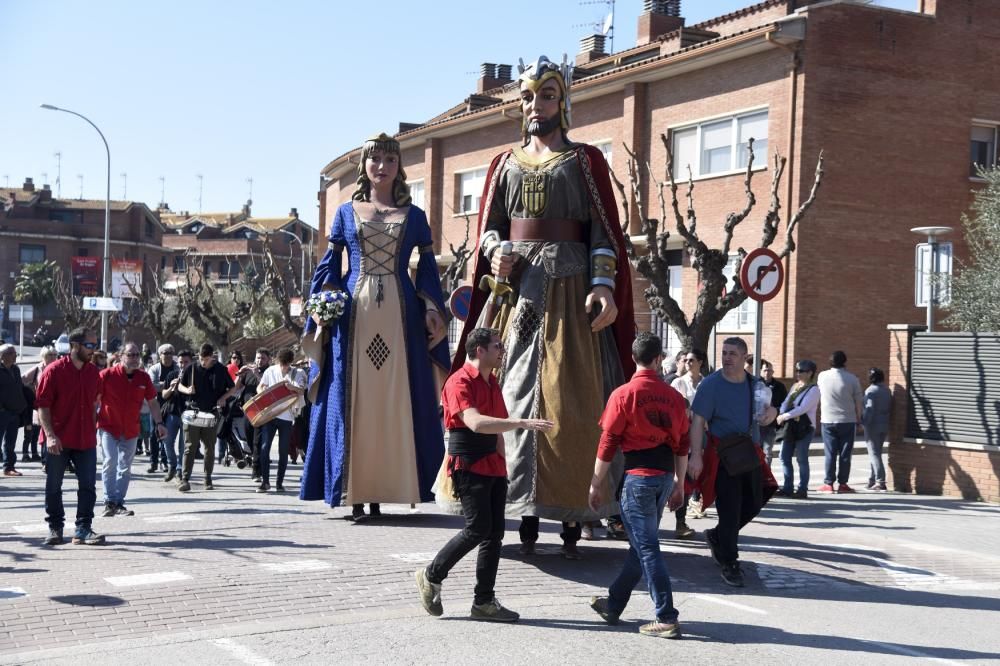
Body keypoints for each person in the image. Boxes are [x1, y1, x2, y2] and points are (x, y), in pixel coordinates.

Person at [448, 54, 636, 559]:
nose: (536, 105)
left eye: (546, 94)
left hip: (571, 293)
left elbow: (604, 231)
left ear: (563, 100)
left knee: (571, 401)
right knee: (505, 390)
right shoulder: (502, 164)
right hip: (517, 292)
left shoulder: (584, 161)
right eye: (528, 96)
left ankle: (574, 512)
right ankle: (517, 508)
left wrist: (602, 285)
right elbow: (491, 225)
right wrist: (494, 251)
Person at [300, 132, 450, 521]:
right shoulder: (345, 213)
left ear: (399, 167)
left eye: (390, 160)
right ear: (364, 166)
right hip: (354, 317)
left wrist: (432, 306)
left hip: (401, 318)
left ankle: (391, 487)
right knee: (356, 401)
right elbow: (331, 268)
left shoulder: (415, 216)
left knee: (395, 400)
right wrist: (321, 306)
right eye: (375, 159)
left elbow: (429, 270)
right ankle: (355, 490)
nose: (382, 166)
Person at [415, 328, 552, 623]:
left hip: (493, 466)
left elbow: (497, 429)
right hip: (469, 464)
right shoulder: (459, 381)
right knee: (477, 529)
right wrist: (521, 421)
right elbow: (475, 423)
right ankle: (431, 574)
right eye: (497, 346)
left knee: (494, 535)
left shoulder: (492, 383)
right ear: (480, 350)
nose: (501, 350)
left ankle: (484, 601)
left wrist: (504, 467)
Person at [588, 332, 689, 639]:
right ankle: (614, 604)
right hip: (661, 477)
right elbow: (683, 444)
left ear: (633, 358)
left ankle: (666, 616)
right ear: (659, 359)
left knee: (646, 548)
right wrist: (680, 484)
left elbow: (608, 442)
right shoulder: (674, 397)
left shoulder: (623, 394)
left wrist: (596, 483)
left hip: (639, 478)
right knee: (640, 546)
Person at [688, 337, 777, 588]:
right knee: (729, 509)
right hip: (722, 455)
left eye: (733, 354)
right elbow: (697, 422)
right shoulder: (711, 385)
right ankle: (729, 562)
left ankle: (718, 536)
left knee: (757, 499)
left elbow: (768, 412)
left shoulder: (755, 384)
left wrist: (774, 412)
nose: (727, 358)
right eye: (724, 353)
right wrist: (696, 454)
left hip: (749, 454)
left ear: (744, 358)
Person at [35, 328, 105, 545]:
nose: (93, 351)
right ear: (75, 345)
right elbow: (42, 406)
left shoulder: (93, 372)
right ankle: (55, 528)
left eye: (95, 346)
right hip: (59, 439)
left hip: (86, 440)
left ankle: (83, 529)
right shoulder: (53, 371)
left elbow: (95, 402)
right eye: (89, 346)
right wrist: (50, 436)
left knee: (88, 486)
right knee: (54, 485)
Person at [97, 342, 165, 517]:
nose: (135, 358)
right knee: (110, 461)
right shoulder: (106, 375)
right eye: (130, 355)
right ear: (121, 356)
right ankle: (108, 501)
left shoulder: (143, 378)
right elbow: (94, 401)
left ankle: (119, 502)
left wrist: (159, 423)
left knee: (125, 467)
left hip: (130, 429)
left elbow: (153, 402)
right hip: (108, 427)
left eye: (137, 355)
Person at [176, 343, 239, 492]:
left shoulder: (221, 370)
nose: (203, 361)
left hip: (211, 413)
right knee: (189, 447)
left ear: (212, 356)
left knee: (210, 447)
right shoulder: (191, 368)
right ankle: (185, 479)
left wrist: (223, 398)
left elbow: (232, 388)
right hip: (193, 412)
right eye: (201, 358)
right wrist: (187, 389)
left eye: (206, 359)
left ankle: (207, 478)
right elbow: (179, 385)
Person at [256, 348, 307, 493]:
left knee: (283, 451)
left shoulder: (297, 373)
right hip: (270, 415)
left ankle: (279, 483)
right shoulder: (270, 371)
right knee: (265, 448)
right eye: (282, 363)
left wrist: (292, 387)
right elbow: (260, 386)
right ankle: (265, 482)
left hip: (287, 417)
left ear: (291, 362)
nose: (284, 366)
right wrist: (263, 393)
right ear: (278, 361)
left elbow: (302, 391)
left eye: (286, 364)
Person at [670, 348, 707, 539]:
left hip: (703, 434)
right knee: (682, 477)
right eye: (686, 360)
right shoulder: (678, 382)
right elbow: (676, 408)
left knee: (697, 477)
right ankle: (680, 521)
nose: (688, 363)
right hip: (683, 433)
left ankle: (695, 503)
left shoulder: (707, 383)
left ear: (700, 362)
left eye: (692, 360)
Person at [816, 351, 863, 493]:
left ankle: (828, 483)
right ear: (845, 361)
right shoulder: (852, 379)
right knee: (845, 454)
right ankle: (843, 484)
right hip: (847, 420)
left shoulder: (822, 376)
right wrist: (859, 419)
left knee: (830, 453)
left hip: (828, 420)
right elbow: (859, 401)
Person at [775, 360, 820, 499]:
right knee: (784, 456)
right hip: (790, 427)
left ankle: (802, 489)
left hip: (805, 428)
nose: (798, 373)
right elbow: (786, 402)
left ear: (810, 373)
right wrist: (781, 413)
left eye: (801, 371)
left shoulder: (814, 389)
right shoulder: (795, 386)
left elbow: (803, 409)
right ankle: (788, 487)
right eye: (797, 370)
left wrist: (784, 416)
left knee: (801, 458)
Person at [21, 346, 57, 464]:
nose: (52, 358)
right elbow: (22, 379)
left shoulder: (59, 368)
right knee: (39, 432)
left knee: (52, 432)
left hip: (57, 406)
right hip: (40, 406)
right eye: (49, 355)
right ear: (43, 357)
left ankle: (49, 459)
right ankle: (42, 458)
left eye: (54, 355)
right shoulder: (38, 368)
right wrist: (30, 392)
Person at [862, 367, 892, 491]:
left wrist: (864, 423)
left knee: (874, 454)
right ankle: (872, 480)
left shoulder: (870, 391)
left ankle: (880, 481)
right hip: (884, 424)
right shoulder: (887, 390)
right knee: (876, 453)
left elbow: (869, 409)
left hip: (872, 425)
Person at [0, 344, 27, 476]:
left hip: (14, 411)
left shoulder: (16, 370)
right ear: (2, 356)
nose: (15, 355)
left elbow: (19, 388)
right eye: (12, 353)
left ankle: (9, 467)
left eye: (15, 353)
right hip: (2, 411)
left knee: (10, 442)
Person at [758, 360, 788, 466]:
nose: (767, 373)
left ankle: (767, 476)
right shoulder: (756, 384)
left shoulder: (779, 386)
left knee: (767, 451)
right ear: (760, 371)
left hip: (771, 424)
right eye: (765, 370)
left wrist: (776, 411)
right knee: (756, 451)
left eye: (770, 370)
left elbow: (785, 404)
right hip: (756, 424)